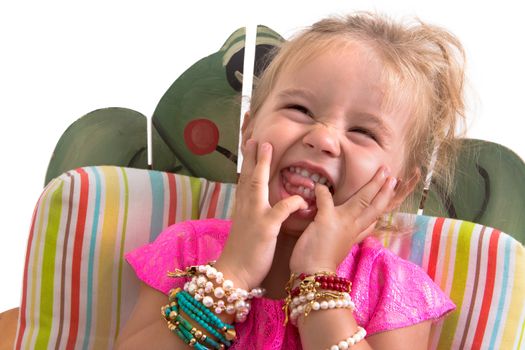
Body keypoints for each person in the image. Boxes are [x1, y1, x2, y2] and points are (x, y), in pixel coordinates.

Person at [116, 11, 465, 350]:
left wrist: (318, 278)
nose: (323, 139)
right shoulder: (188, 249)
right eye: (300, 110)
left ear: (398, 190)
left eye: (363, 131)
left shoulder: (393, 289)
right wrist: (232, 272)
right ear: (248, 130)